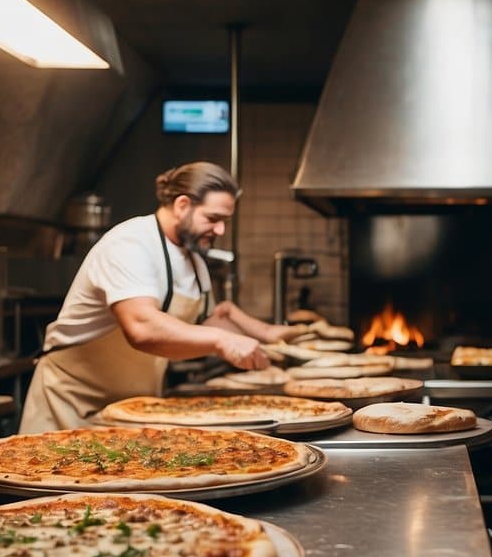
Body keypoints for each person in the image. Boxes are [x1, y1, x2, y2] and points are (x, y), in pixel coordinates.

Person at [20, 161, 303, 433]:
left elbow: (205, 324)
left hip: (133, 410)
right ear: (182, 205)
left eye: (225, 221)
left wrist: (266, 344)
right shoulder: (131, 244)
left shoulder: (195, 261)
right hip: (71, 406)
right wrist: (224, 341)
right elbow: (142, 327)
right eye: (213, 219)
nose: (220, 230)